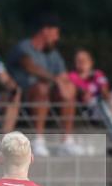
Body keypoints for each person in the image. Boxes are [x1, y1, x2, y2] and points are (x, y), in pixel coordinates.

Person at [7, 14, 79, 157]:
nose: (57, 38)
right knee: (41, 88)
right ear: (45, 31)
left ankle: (67, 141)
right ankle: (38, 140)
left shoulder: (53, 54)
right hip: (23, 96)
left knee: (69, 90)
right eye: (56, 33)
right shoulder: (24, 47)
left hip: (49, 97)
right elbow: (30, 67)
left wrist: (67, 86)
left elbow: (63, 76)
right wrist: (55, 79)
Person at [68, 49, 112, 147]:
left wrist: (110, 100)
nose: (81, 63)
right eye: (79, 60)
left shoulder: (97, 74)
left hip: (106, 103)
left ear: (91, 62)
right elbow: (82, 94)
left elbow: (105, 90)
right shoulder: (73, 76)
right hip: (92, 109)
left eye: (84, 60)